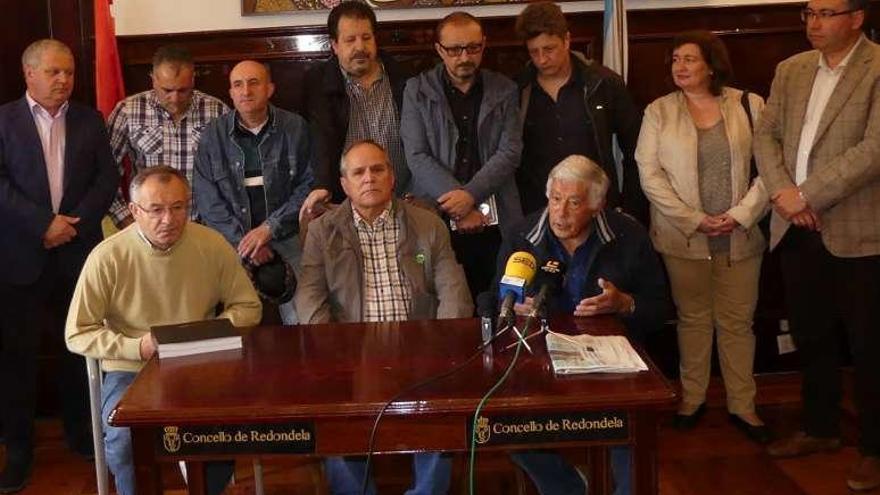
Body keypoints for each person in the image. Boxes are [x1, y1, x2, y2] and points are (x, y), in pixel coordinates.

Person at [65, 166, 263, 495]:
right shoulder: (108, 257)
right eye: (155, 210)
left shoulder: (211, 244)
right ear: (133, 211)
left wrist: (205, 332)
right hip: (133, 369)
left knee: (224, 427)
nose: (168, 220)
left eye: (178, 208)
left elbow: (249, 306)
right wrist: (134, 347)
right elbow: (77, 333)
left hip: (199, 364)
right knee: (126, 437)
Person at [295, 140, 472, 494]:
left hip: (420, 354)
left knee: (443, 423)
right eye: (358, 172)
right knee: (336, 430)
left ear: (392, 177)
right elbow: (310, 300)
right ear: (344, 184)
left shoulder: (428, 225)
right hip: (351, 358)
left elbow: (453, 292)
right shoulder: (322, 231)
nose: (369, 179)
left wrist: (441, 349)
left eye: (377, 169)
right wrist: (336, 355)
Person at [754, 0, 880, 490]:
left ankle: (874, 448)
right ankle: (821, 428)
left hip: (859, 231)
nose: (814, 23)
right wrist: (786, 196)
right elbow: (767, 136)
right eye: (809, 13)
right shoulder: (792, 69)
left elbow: (872, 150)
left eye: (827, 13)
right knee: (811, 335)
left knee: (869, 345)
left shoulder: (875, 67)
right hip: (796, 225)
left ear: (857, 17)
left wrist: (805, 194)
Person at [495, 154, 669, 495]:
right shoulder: (521, 235)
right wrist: (513, 306)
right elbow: (489, 300)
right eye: (555, 199)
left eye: (574, 202)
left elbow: (660, 308)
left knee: (635, 447)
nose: (560, 212)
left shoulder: (629, 235)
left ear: (597, 205)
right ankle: (568, 487)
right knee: (504, 424)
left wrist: (625, 303)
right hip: (538, 362)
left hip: (612, 369)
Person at [635, 31, 771, 443]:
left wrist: (740, 214)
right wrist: (693, 218)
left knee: (737, 322)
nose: (680, 66)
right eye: (675, 59)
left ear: (711, 64)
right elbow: (649, 173)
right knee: (693, 320)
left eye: (690, 59)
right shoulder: (659, 111)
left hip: (740, 236)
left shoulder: (750, 104)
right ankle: (691, 400)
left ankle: (743, 407)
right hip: (684, 237)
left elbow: (771, 167)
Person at [0, 38, 118, 492]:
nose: (63, 80)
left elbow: (107, 178)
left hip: (76, 254)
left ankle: (82, 435)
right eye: (53, 72)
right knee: (17, 359)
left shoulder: (90, 119)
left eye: (68, 72)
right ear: (28, 73)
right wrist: (41, 225)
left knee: (79, 353)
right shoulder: (4, 120)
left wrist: (73, 224)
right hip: (18, 258)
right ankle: (19, 449)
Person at [400, 11, 523, 304]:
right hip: (434, 212)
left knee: (495, 298)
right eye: (455, 49)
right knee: (440, 300)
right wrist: (459, 204)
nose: (464, 56)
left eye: (473, 47)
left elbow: (510, 151)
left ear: (484, 45)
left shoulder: (504, 89)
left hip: (496, 216)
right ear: (439, 50)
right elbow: (416, 155)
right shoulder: (417, 90)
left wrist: (470, 195)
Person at [194, 60, 313, 323]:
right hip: (230, 241)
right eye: (238, 85)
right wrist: (246, 243)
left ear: (270, 89)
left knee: (306, 318)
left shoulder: (295, 128)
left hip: (286, 235)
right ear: (231, 93)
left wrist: (269, 228)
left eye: (254, 83)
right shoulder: (212, 135)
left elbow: (308, 186)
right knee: (229, 323)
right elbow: (207, 199)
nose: (245, 91)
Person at [514, 2, 647, 224]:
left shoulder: (603, 83)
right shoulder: (518, 88)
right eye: (534, 52)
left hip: (596, 207)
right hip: (537, 210)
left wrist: (631, 208)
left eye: (549, 49)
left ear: (567, 39)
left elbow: (636, 150)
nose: (542, 60)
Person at [300, 1, 411, 218]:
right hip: (348, 207)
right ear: (334, 45)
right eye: (350, 40)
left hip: (404, 200)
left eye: (366, 38)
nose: (360, 47)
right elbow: (319, 136)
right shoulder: (318, 83)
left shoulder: (404, 77)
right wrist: (321, 185)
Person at [106, 44, 228, 227]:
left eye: (183, 90)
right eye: (167, 90)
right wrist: (125, 219)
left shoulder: (217, 111)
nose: (175, 98)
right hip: (148, 226)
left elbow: (230, 174)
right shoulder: (128, 111)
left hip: (203, 225)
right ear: (153, 79)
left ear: (193, 79)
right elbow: (106, 173)